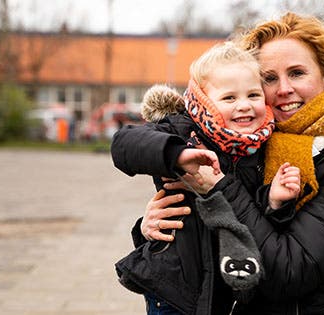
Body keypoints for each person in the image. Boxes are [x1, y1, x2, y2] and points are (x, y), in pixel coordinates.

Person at [139, 12, 324, 315]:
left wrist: (220, 188)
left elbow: (290, 271)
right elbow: (228, 241)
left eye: (297, 73)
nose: (282, 89)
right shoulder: (254, 143)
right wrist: (160, 226)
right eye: (269, 78)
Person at [111, 41, 301, 314]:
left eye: (253, 95)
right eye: (229, 98)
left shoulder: (260, 147)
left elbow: (252, 217)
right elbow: (125, 144)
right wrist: (175, 154)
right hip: (176, 288)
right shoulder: (183, 131)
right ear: (204, 102)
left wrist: (274, 200)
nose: (244, 106)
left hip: (227, 291)